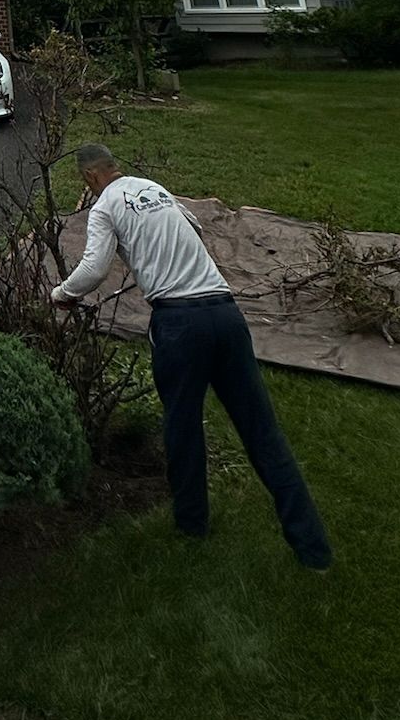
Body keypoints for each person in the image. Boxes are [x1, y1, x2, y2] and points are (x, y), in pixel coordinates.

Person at [52, 142, 332, 569]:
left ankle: (191, 526)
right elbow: (196, 231)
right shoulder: (156, 189)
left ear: (89, 177)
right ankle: (313, 550)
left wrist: (63, 295)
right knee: (262, 433)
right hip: (225, 314)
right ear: (115, 166)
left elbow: (94, 268)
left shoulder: (105, 205)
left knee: (183, 430)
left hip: (180, 326)